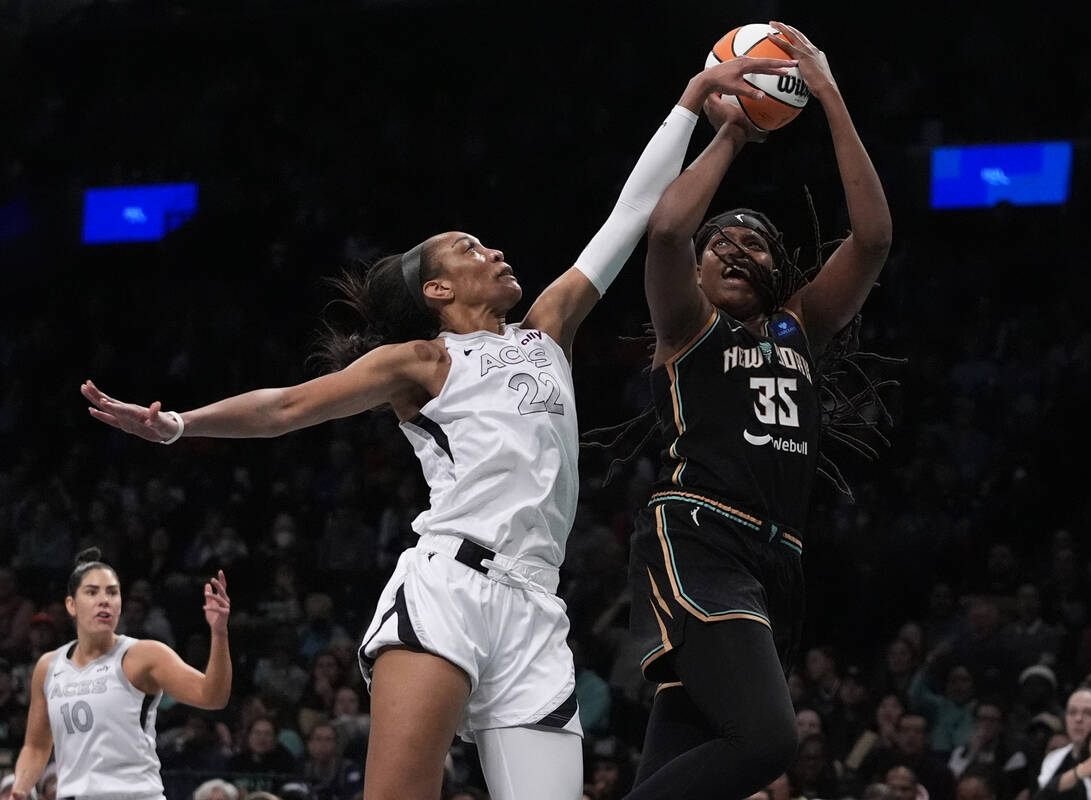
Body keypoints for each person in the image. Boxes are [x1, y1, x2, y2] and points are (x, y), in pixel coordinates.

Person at [77, 54, 798, 800]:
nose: (495, 251)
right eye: (471, 249)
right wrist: (179, 425)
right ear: (438, 288)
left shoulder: (547, 328)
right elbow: (288, 405)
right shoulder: (421, 360)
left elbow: (631, 213)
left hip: (537, 610)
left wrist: (698, 112)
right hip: (450, 585)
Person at [620, 22, 893, 800]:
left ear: (781, 271)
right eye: (722, 243)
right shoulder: (686, 327)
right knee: (770, 740)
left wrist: (831, 95)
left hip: (778, 561)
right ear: (698, 274)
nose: (735, 247)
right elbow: (669, 227)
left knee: (686, 752)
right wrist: (732, 136)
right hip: (701, 534)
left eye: (756, 242)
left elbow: (872, 238)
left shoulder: (801, 326)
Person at [8, 548, 231, 800]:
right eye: (92, 592)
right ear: (71, 605)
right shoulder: (48, 667)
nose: (105, 600)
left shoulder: (144, 655)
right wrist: (20, 788)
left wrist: (219, 633)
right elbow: (36, 746)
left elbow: (213, 697)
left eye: (112, 592)